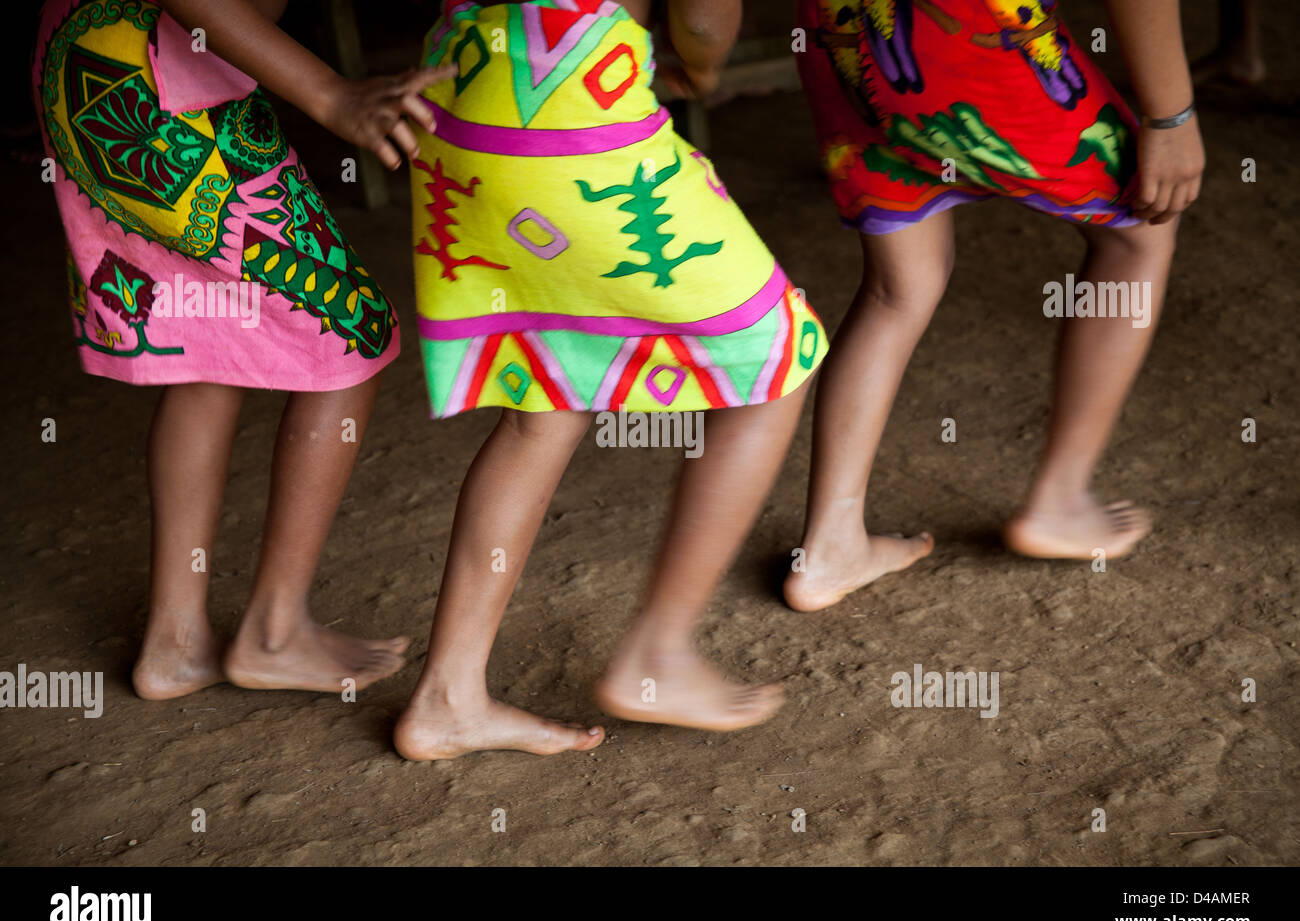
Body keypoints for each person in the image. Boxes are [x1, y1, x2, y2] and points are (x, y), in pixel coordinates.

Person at [394, 0, 827, 759]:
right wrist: (700, 65)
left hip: (461, 101)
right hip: (572, 113)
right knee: (776, 354)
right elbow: (702, 16)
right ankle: (657, 652)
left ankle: (447, 698)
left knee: (544, 400)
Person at [34, 0, 454, 698]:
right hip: (154, 90)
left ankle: (175, 643)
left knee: (207, 338)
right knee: (349, 329)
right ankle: (275, 632)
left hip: (101, 66)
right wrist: (333, 95)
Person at [784, 0, 1205, 612]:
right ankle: (1058, 498)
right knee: (1140, 233)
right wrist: (1172, 117)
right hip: (970, 30)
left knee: (898, 289)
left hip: (843, 33)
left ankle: (829, 544)